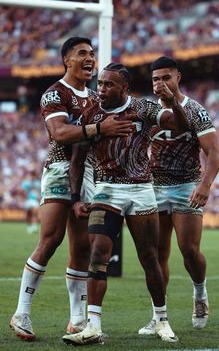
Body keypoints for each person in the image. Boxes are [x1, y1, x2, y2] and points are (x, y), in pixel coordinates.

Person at [10, 38, 133, 341]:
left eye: (92, 54)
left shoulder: (95, 95)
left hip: (88, 173)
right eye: (82, 54)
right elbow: (60, 132)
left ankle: (77, 319)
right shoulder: (55, 93)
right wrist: (99, 129)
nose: (90, 58)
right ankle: (22, 312)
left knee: (81, 248)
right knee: (51, 239)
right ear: (67, 60)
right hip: (60, 169)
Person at [62, 62, 190, 346]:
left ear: (124, 88)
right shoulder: (90, 113)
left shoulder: (143, 109)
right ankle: (93, 326)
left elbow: (180, 126)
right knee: (97, 253)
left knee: (149, 258)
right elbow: (77, 161)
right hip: (106, 190)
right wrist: (75, 198)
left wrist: (172, 102)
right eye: (100, 83)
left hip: (141, 189)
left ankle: (161, 319)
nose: (102, 89)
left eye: (109, 84)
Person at [138, 56, 219, 335]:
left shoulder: (195, 111)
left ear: (178, 77)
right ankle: (158, 316)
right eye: (155, 79)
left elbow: (214, 151)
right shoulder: (148, 110)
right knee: (157, 254)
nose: (160, 83)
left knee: (189, 251)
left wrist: (205, 185)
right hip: (154, 187)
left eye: (165, 78)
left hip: (187, 186)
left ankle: (200, 294)